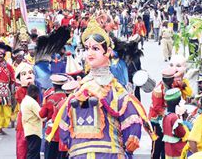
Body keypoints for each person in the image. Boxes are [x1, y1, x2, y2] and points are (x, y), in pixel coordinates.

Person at [58, 19, 153, 158]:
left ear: (108, 52)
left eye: (95, 48)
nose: (89, 53)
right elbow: (64, 128)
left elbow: (131, 130)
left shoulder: (116, 91)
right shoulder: (79, 91)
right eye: (87, 48)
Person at [40, 74, 69, 159]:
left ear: (54, 86)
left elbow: (42, 114)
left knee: (50, 155)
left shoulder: (49, 97)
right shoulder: (68, 98)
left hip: (52, 132)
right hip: (65, 132)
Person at [162, 88, 187, 159]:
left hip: (168, 150)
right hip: (177, 151)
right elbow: (182, 133)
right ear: (175, 101)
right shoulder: (174, 118)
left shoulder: (165, 116)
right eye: (179, 98)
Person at [21, 84, 42, 159]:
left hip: (29, 130)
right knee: (33, 154)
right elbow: (41, 115)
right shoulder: (32, 102)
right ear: (33, 92)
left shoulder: (25, 100)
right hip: (34, 131)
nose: (37, 95)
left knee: (33, 153)